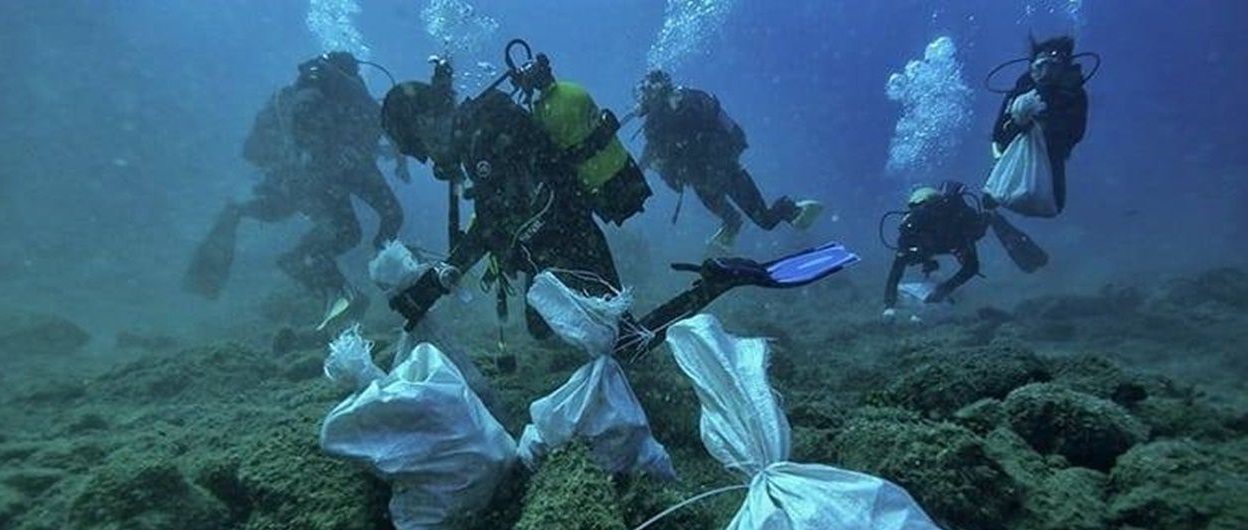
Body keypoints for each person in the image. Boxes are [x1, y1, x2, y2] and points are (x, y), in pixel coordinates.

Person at [378, 47, 858, 363]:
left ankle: (721, 281)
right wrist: (445, 274)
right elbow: (500, 215)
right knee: (546, 328)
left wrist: (439, 280)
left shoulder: (484, 138)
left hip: (570, 240)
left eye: (418, 145)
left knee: (626, 343)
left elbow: (499, 220)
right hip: (559, 243)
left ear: (426, 120)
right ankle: (712, 283)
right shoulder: (479, 136)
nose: (427, 160)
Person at [186, 51, 406, 326]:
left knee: (353, 230)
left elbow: (361, 133)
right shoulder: (335, 98)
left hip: (325, 175)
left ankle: (322, 268)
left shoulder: (313, 98)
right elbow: (364, 127)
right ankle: (337, 271)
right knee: (369, 224)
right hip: (324, 176)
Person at [632, 70, 824, 251]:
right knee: (738, 216)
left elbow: (657, 152)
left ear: (656, 92)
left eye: (646, 94)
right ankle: (732, 226)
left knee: (765, 221)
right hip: (702, 180)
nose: (643, 101)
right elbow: (649, 155)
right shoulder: (654, 126)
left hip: (725, 172)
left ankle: (790, 209)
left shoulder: (686, 105)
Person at [986, 35, 1089, 215]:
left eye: (1053, 66)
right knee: (993, 195)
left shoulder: (1073, 93)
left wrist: (1047, 121)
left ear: (1064, 68)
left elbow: (1075, 134)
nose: (1045, 73)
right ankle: (998, 187)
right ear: (1032, 66)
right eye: (1040, 66)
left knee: (1055, 203)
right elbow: (998, 133)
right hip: (1015, 144)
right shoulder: (1024, 86)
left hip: (1051, 153)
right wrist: (1019, 121)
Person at [882, 182, 988, 318]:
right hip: (937, 246)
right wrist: (889, 304)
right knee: (924, 262)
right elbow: (896, 271)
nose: (924, 221)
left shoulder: (957, 225)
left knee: (980, 227)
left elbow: (972, 267)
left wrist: (944, 290)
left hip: (952, 240)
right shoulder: (910, 230)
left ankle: (993, 216)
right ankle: (931, 270)